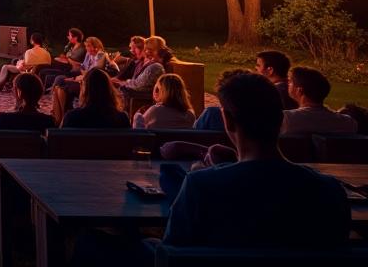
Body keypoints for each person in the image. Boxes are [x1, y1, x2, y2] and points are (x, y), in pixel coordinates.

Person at [162, 72, 350, 248]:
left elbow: (173, 250)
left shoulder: (200, 186)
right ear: (280, 118)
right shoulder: (329, 190)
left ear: (227, 120)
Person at [50, 37, 113, 124]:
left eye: (88, 46)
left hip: (90, 84)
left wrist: (78, 77)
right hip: (83, 78)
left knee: (61, 85)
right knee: (58, 86)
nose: (87, 48)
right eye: (86, 46)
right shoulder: (88, 54)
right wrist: (79, 74)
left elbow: (93, 72)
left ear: (96, 47)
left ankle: (62, 117)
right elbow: (83, 67)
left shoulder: (101, 55)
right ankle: (59, 117)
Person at [282, 66, 357, 134]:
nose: (287, 84)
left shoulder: (286, 119)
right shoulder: (348, 123)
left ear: (299, 90)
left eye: (290, 81)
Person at [61, 68, 129, 128]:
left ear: (85, 90)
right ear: (109, 90)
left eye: (81, 84)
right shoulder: (122, 119)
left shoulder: (71, 118)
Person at [111, 35, 170, 102]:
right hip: (134, 93)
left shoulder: (156, 66)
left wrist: (122, 83)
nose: (145, 52)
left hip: (143, 98)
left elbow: (139, 85)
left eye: (146, 49)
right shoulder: (142, 63)